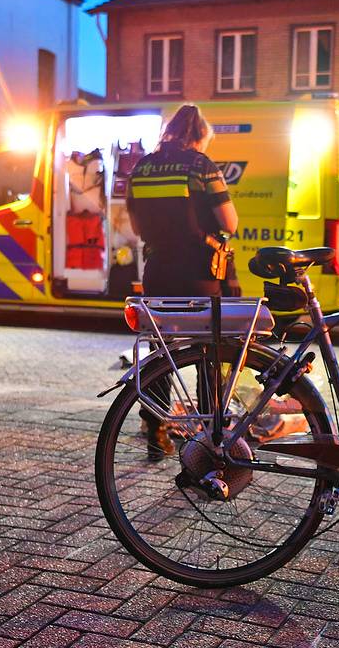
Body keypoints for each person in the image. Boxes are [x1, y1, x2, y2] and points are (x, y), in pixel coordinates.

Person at [126, 104, 239, 459]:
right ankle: (209, 435)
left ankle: (156, 430)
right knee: (209, 348)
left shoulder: (142, 167)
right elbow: (230, 223)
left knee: (162, 350)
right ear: (200, 134)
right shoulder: (201, 166)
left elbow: (136, 226)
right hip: (198, 272)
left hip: (158, 268)